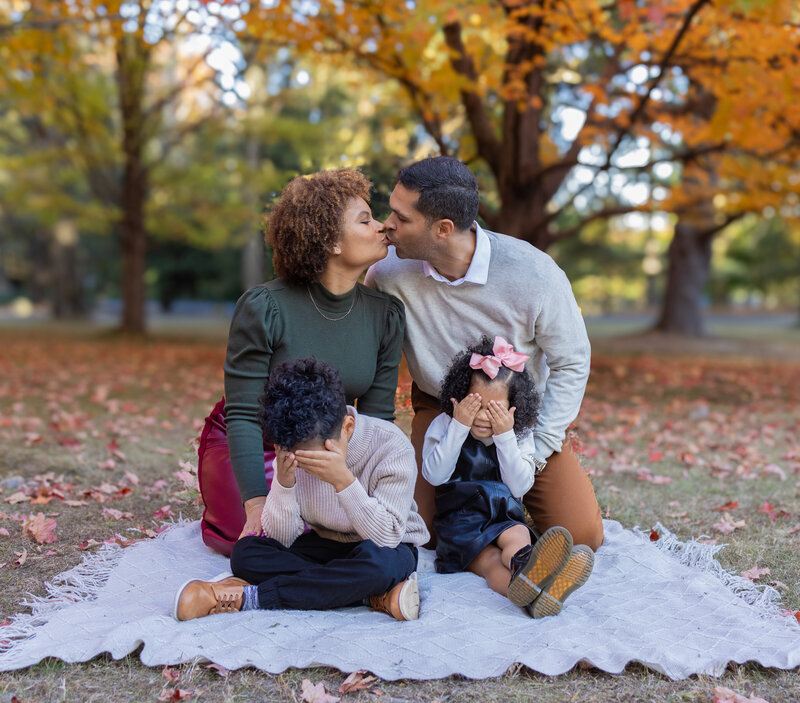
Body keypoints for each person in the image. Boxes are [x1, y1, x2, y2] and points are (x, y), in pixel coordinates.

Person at [365, 156, 604, 552]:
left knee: (582, 537)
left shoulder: (534, 273)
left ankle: (507, 511)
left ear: (442, 229)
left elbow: (572, 360)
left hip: (519, 416)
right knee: (421, 532)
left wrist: (540, 444)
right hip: (444, 409)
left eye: (400, 217)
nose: (387, 224)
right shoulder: (387, 274)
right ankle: (501, 530)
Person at [199, 169, 405, 556]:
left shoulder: (386, 314)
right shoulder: (264, 307)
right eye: (366, 220)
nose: (383, 227)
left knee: (351, 538)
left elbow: (376, 423)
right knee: (270, 542)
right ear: (330, 242)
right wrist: (257, 503)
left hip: (330, 446)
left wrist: (360, 489)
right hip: (257, 445)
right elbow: (242, 413)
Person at [174, 358, 429, 621]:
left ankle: (251, 597)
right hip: (327, 544)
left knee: (378, 568)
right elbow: (281, 539)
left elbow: (387, 537)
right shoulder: (290, 444)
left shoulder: (390, 447)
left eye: (315, 457)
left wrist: (343, 481)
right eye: (300, 456)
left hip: (384, 546)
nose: (308, 465)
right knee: (246, 554)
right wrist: (284, 484)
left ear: (347, 427)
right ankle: (370, 595)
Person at [422, 335, 594, 617]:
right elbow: (435, 475)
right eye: (475, 403)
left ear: (515, 407)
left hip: (502, 519)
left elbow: (519, 485)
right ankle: (532, 596)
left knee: (518, 533)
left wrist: (505, 437)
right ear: (460, 395)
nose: (483, 416)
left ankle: (529, 569)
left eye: (496, 409)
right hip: (461, 524)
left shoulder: (518, 436)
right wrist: (458, 427)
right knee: (490, 563)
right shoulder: (444, 426)